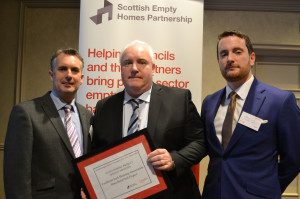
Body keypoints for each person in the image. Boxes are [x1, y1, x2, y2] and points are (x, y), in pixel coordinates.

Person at [91, 40, 206, 198]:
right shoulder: (104, 107)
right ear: (120, 69)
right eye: (127, 63)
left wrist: (174, 159)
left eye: (142, 62)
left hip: (172, 193)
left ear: (153, 68)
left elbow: (200, 142)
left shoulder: (179, 99)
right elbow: (96, 153)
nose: (134, 68)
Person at [201, 30, 300, 199]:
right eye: (223, 54)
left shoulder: (280, 101)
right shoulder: (209, 103)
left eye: (237, 52)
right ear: (218, 61)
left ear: (252, 58)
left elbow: (295, 157)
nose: (230, 59)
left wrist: (268, 187)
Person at [4, 48, 93, 199]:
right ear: (51, 74)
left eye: (74, 70)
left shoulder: (87, 116)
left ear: (82, 77)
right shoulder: (26, 113)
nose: (69, 75)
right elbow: (16, 176)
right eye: (62, 69)